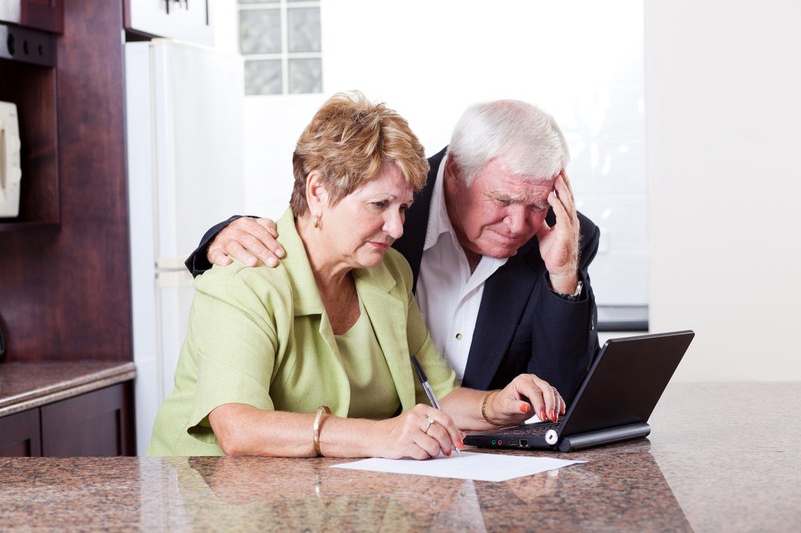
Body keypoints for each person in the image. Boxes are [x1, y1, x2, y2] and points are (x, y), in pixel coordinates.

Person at [149, 92, 564, 459]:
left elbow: (440, 394)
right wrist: (379, 436)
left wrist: (499, 404)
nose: (397, 228)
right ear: (318, 192)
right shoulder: (245, 280)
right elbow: (237, 428)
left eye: (402, 208)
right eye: (378, 205)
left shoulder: (390, 272)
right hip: (212, 502)